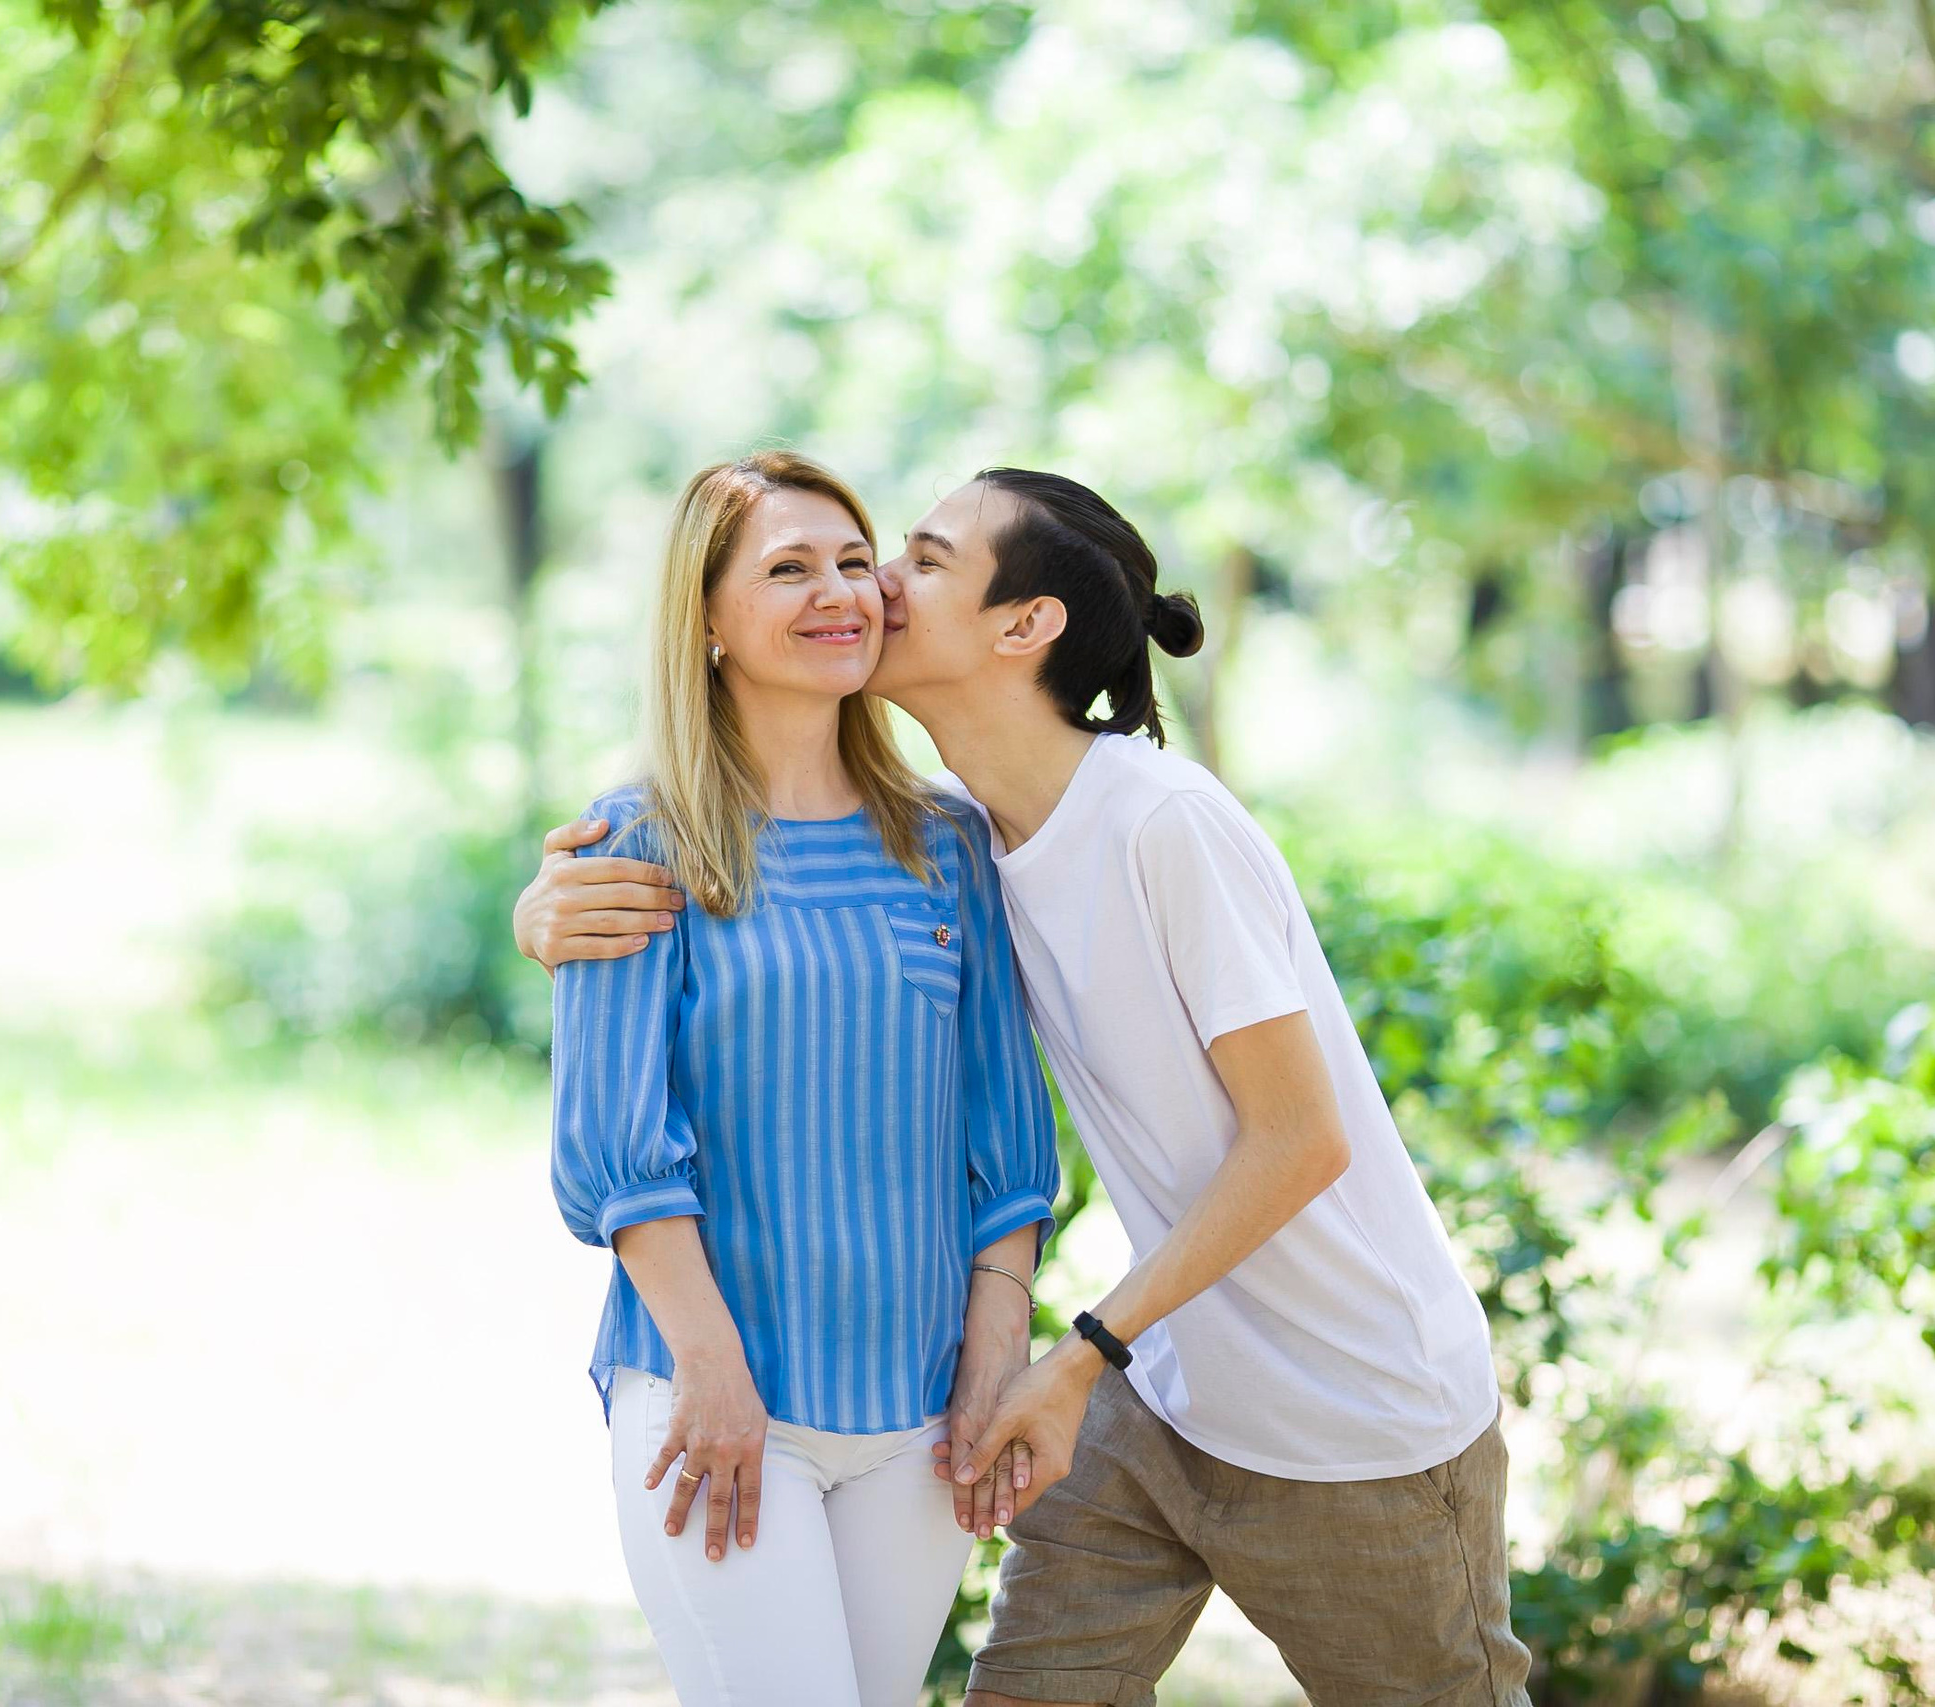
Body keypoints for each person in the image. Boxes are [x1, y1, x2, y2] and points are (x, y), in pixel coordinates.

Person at [520, 468, 1534, 1707]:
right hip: (1162, 1389)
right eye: (823, 563)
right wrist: (551, 916)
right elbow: (694, 1015)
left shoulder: (1136, 825)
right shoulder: (964, 832)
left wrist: (1066, 1354)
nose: (872, 586)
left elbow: (1294, 1140)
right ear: (707, 617)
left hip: (1345, 1408)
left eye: (910, 560)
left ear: (1024, 625)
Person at [549, 451, 1061, 1707]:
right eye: (788, 569)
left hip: (919, 1416)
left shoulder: (948, 843)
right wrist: (714, 1373)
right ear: (708, 621)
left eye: (851, 560)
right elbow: (616, 1155)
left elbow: (1006, 1139)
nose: (840, 592)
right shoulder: (638, 846)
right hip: (719, 1397)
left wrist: (994, 1350)